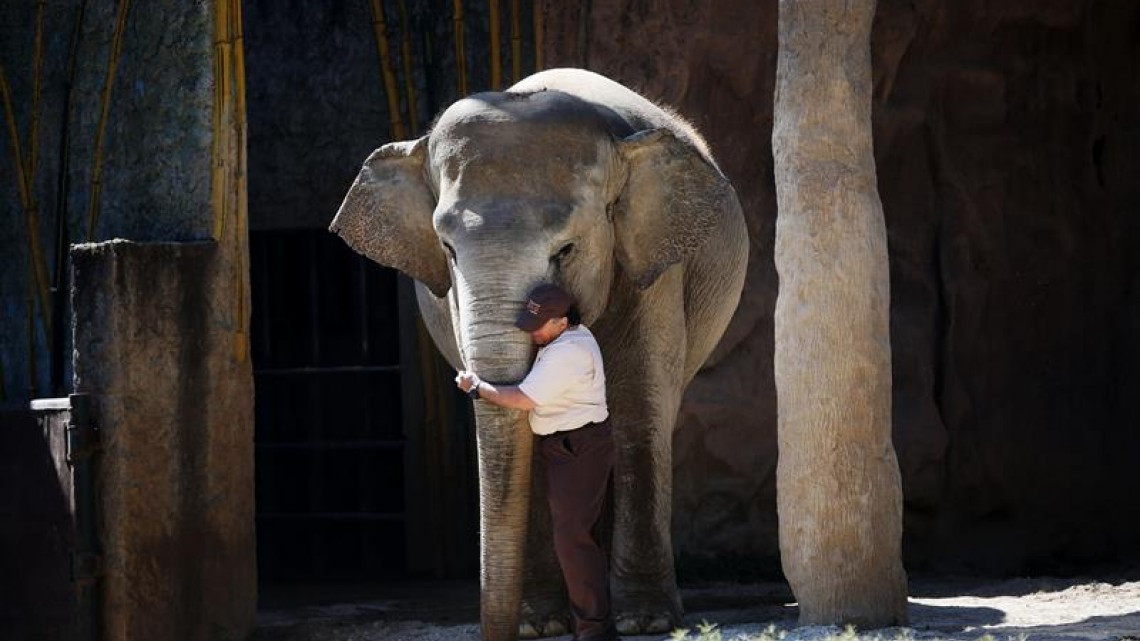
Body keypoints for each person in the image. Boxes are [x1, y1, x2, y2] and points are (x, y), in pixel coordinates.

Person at [455, 283, 617, 641]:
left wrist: (476, 387)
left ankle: (594, 632)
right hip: (575, 447)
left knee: (573, 541)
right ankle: (596, 626)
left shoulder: (568, 352)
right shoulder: (568, 339)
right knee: (579, 538)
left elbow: (522, 399)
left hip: (576, 449)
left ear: (562, 322)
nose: (533, 333)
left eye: (539, 326)